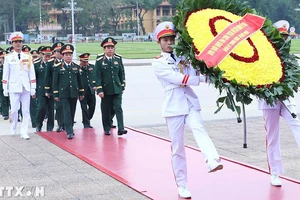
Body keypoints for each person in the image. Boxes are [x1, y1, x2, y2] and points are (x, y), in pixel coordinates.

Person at [152, 21, 223, 199]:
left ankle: (212, 160)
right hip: (173, 105)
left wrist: (215, 77)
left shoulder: (184, 57)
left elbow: (196, 73)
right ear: (159, 42)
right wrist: (198, 79)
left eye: (171, 39)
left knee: (199, 128)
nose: (169, 42)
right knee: (177, 148)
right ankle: (182, 185)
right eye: (165, 40)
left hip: (189, 101)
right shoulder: (158, 63)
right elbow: (178, 78)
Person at [257, 25, 300, 187]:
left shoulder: (289, 56)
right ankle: (274, 172)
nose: (283, 40)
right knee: (272, 136)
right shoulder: (264, 54)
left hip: (286, 98)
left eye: (285, 37)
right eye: (280, 36)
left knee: (296, 124)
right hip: (269, 100)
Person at [2, 32, 36, 139]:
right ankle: (13, 126)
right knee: (15, 110)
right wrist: (5, 87)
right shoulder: (8, 57)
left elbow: (31, 72)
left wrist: (33, 86)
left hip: (25, 87)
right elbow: (5, 73)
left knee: (26, 111)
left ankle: (24, 131)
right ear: (12, 43)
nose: (18, 44)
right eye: (16, 42)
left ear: (22, 43)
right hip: (14, 87)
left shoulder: (28, 56)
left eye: (20, 42)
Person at [95, 37, 127, 136]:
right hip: (105, 90)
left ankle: (121, 128)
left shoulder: (118, 58)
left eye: (112, 47)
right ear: (104, 49)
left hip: (117, 88)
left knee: (118, 108)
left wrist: (122, 86)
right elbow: (97, 76)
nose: (110, 49)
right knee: (106, 110)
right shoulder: (100, 60)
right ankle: (107, 127)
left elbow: (121, 73)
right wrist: (99, 89)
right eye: (108, 47)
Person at [52, 44, 84, 139]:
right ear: (62, 56)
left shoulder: (76, 67)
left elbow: (79, 81)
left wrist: (81, 93)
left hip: (74, 92)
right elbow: (55, 82)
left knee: (72, 111)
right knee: (66, 111)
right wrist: (56, 94)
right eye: (66, 55)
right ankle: (69, 131)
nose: (69, 56)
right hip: (63, 93)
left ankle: (70, 127)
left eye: (70, 54)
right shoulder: (58, 67)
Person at [45, 42, 65, 132]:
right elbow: (47, 77)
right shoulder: (50, 63)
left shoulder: (67, 61)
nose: (59, 53)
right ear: (54, 52)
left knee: (67, 107)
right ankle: (60, 124)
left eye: (61, 51)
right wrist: (47, 90)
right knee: (59, 107)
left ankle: (67, 123)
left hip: (66, 88)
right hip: (55, 89)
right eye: (57, 51)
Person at [34, 46, 54, 132]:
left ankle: (50, 127)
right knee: (41, 108)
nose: (48, 57)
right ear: (41, 55)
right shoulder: (36, 64)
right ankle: (39, 124)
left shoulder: (54, 64)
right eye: (46, 55)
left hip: (52, 89)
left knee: (51, 109)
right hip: (40, 89)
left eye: (49, 55)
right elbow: (34, 78)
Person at [78, 53, 96, 128]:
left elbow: (95, 77)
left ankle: (87, 118)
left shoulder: (92, 67)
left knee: (92, 106)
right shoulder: (78, 68)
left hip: (91, 90)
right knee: (84, 108)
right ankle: (86, 123)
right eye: (84, 61)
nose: (85, 63)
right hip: (82, 91)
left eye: (86, 61)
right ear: (81, 61)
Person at [0, 50, 9, 120]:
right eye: (3, 58)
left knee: (9, 100)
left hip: (10, 85)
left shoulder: (9, 66)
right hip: (1, 85)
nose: (4, 60)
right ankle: (5, 113)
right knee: (3, 100)